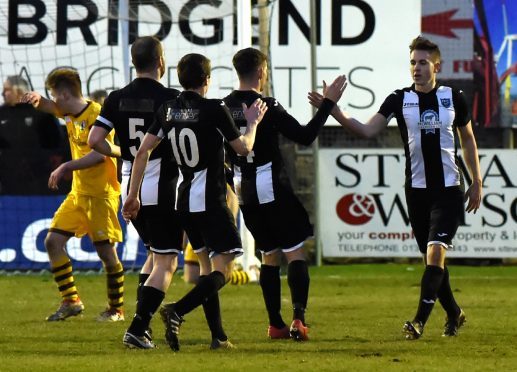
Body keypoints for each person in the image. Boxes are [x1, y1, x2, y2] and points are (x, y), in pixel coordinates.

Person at [309, 35, 482, 339]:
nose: (417, 68)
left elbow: (467, 139)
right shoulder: (399, 99)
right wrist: (333, 110)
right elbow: (366, 131)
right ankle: (454, 312)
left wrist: (476, 180)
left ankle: (418, 322)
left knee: (436, 252)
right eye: (413, 62)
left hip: (448, 190)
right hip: (416, 193)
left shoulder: (454, 97)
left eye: (423, 62)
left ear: (436, 65)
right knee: (432, 260)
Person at [122, 53, 267, 351]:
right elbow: (242, 148)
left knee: (206, 268)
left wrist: (133, 194)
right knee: (223, 270)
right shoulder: (215, 109)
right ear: (207, 80)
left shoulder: (167, 110)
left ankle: (219, 337)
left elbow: (142, 152)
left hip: (183, 200)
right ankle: (177, 310)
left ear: (180, 78)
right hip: (211, 202)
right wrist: (252, 124)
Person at [223, 47, 346, 341]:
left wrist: (232, 180)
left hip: (244, 190)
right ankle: (298, 320)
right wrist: (328, 104)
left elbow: (219, 154)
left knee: (269, 254)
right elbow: (305, 135)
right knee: (294, 252)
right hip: (271, 186)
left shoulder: (223, 106)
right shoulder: (266, 105)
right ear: (262, 72)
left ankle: (275, 324)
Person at [88, 36, 182, 349]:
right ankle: (138, 328)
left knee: (154, 255)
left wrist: (121, 152)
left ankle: (144, 325)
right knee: (167, 262)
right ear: (160, 61)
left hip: (129, 181)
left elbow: (94, 140)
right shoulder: (171, 97)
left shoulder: (116, 97)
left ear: (134, 62)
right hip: (158, 185)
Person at [21, 68, 125, 322]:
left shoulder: (98, 115)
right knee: (52, 242)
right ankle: (71, 301)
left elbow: (102, 154)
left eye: (54, 95)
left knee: (106, 255)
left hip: (101, 195)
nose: (53, 100)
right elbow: (51, 107)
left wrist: (66, 165)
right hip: (79, 194)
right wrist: (37, 99)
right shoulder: (68, 111)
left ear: (65, 94)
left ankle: (116, 309)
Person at [0, 75, 63, 194]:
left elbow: (56, 145)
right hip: (8, 182)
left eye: (6, 90)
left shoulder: (42, 112)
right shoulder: (2, 114)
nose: (2, 93)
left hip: (39, 181)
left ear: (18, 91)